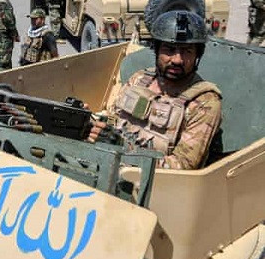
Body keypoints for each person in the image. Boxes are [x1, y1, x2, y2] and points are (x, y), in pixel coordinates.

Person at [88, 11, 222, 170]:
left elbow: (183, 166)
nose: (177, 60)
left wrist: (126, 150)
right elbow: (114, 119)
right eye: (170, 49)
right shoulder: (140, 80)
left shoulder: (204, 103)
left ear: (197, 56)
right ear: (157, 50)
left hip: (154, 184)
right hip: (110, 165)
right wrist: (91, 123)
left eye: (187, 51)